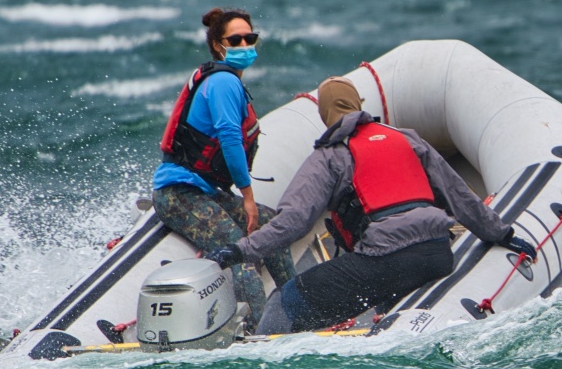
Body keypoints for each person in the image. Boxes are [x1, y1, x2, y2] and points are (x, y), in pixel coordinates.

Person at [207, 77, 538, 333]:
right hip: (436, 254)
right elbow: (459, 195)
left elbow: (293, 222)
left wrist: (239, 250)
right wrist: (503, 235)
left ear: (325, 114)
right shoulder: (408, 139)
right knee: (381, 280)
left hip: (385, 259)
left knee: (286, 301)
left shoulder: (330, 156)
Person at [151, 6, 296, 323]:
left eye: (249, 38)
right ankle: (259, 330)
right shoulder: (223, 83)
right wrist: (247, 196)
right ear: (219, 45)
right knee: (240, 250)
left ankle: (296, 309)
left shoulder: (226, 80)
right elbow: (230, 139)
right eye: (235, 40)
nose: (244, 45)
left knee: (271, 227)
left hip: (203, 192)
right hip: (179, 195)